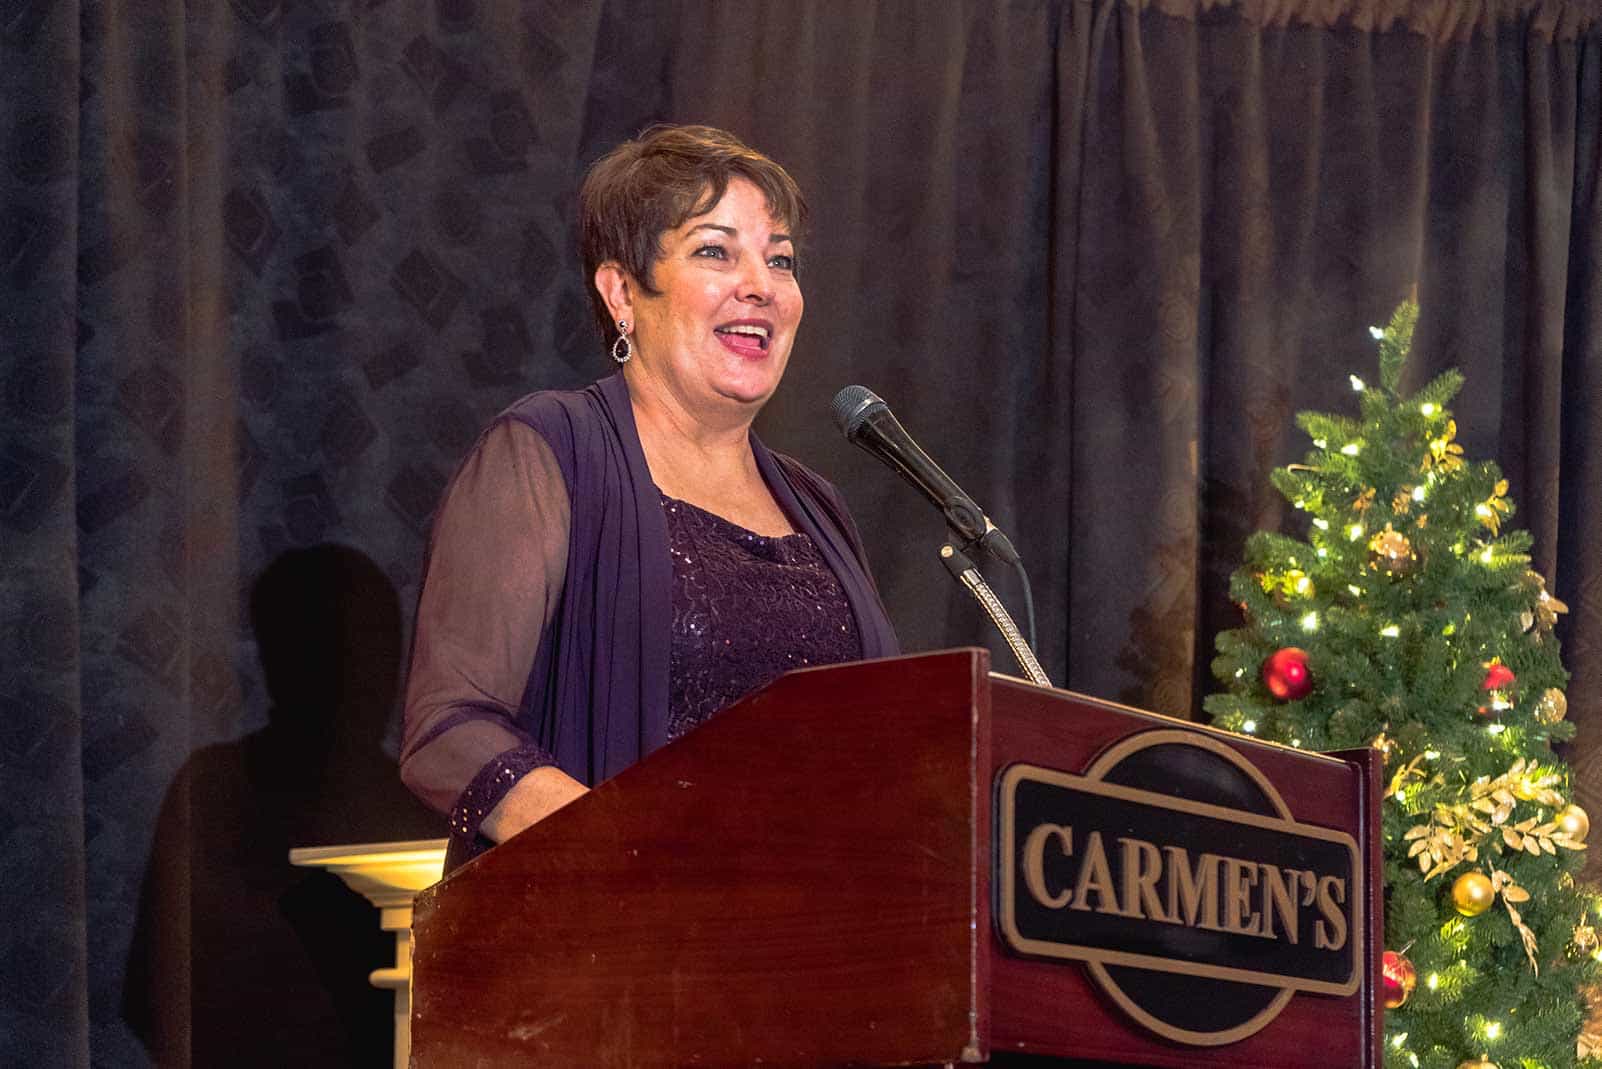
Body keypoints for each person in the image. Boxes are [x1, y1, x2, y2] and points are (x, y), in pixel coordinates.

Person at [399, 124, 900, 869]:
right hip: (622, 954)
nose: (762, 284)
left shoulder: (815, 504)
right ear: (623, 291)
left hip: (819, 950)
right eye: (714, 250)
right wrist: (645, 859)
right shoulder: (550, 452)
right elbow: (450, 728)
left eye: (781, 258)